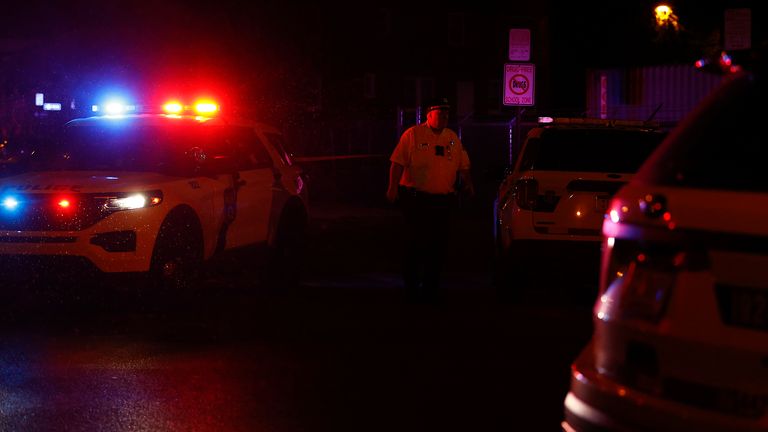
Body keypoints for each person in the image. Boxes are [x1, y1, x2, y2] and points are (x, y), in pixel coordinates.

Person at [386, 96, 474, 302]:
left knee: (438, 245)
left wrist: (469, 183)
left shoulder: (452, 138)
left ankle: (430, 287)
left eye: (447, 113)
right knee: (415, 243)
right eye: (440, 113)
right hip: (417, 200)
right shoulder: (413, 135)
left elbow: (463, 165)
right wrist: (392, 187)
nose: (444, 117)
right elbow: (397, 162)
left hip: (442, 201)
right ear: (429, 114)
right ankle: (411, 285)